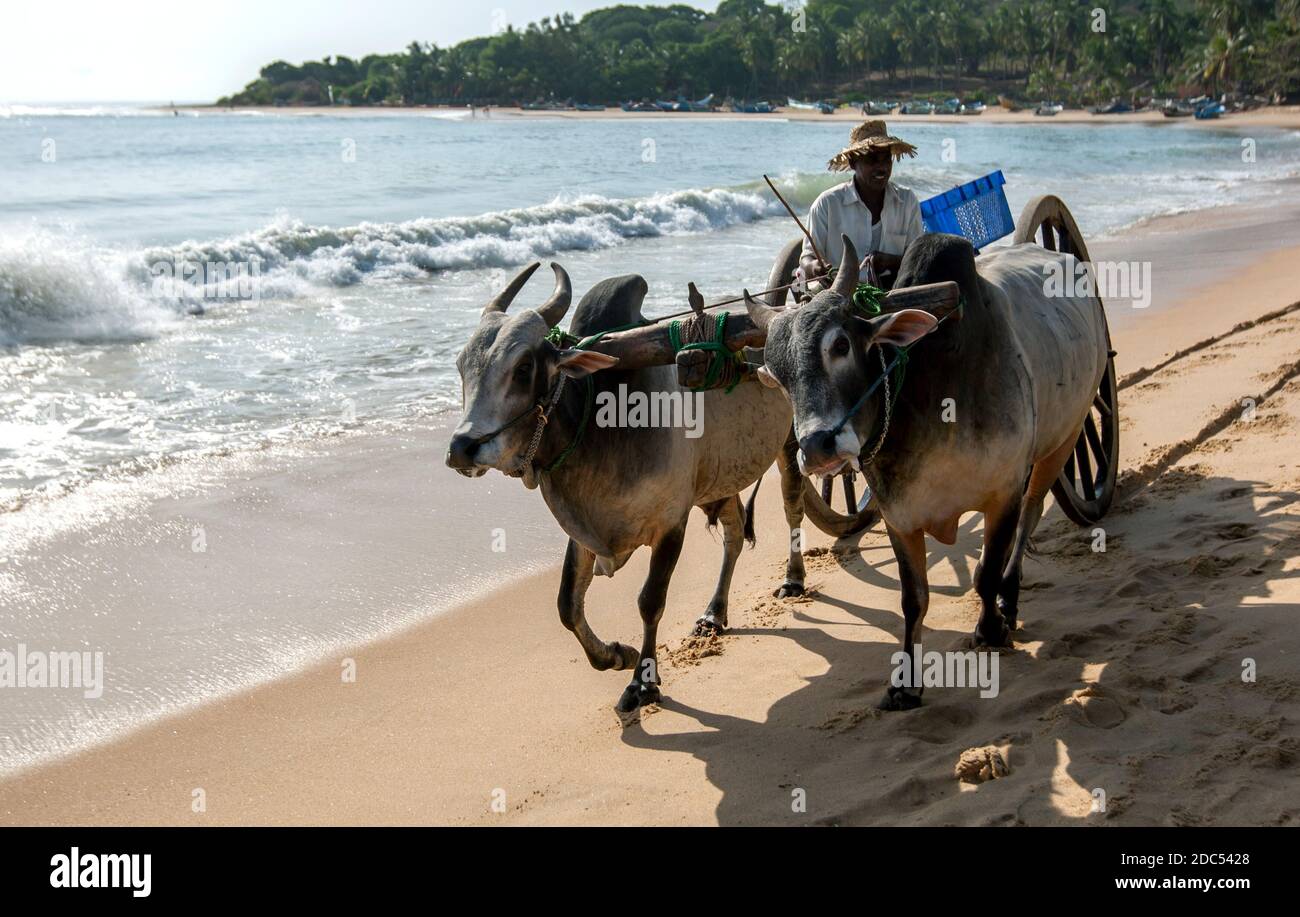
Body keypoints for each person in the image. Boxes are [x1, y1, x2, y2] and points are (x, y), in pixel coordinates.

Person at [798, 120, 924, 291]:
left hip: (893, 292)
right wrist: (815, 268)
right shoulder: (827, 204)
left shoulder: (907, 201)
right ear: (853, 163)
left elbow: (917, 259)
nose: (881, 167)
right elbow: (807, 258)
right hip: (836, 294)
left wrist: (889, 262)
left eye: (886, 159)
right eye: (872, 160)